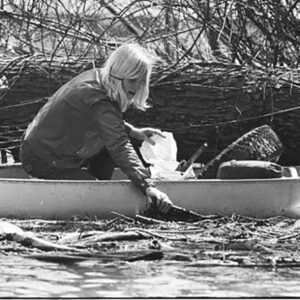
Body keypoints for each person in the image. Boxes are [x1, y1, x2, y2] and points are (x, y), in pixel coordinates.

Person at [20, 43, 173, 213]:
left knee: (101, 178)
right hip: (41, 159)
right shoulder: (97, 98)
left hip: (53, 149)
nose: (136, 87)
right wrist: (147, 186)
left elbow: (104, 122)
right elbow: (118, 143)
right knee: (94, 198)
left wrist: (132, 131)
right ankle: (93, 186)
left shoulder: (99, 79)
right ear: (119, 75)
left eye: (141, 81)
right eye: (132, 80)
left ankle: (98, 183)